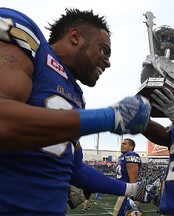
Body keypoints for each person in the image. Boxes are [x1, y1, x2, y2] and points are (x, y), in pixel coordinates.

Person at [0, 7, 154, 215]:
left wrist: (131, 189)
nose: (107, 62)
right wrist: (111, 117)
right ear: (75, 37)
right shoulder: (34, 47)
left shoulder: (76, 96)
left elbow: (76, 169)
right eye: (103, 50)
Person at [113, 138, 142, 216]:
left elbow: (133, 178)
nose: (121, 145)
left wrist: (131, 196)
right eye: (121, 144)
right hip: (122, 190)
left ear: (131, 147)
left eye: (125, 144)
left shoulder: (131, 155)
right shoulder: (122, 157)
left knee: (118, 213)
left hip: (127, 191)